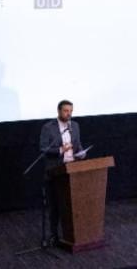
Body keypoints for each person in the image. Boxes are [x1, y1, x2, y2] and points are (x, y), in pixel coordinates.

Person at [38, 99, 85, 244]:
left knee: (73, 204)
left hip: (73, 170)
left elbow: (77, 145)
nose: (68, 114)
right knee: (55, 206)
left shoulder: (75, 126)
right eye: (66, 111)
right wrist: (60, 150)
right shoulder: (48, 127)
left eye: (71, 111)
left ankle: (74, 234)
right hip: (56, 172)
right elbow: (43, 149)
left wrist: (82, 152)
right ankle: (54, 235)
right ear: (59, 111)